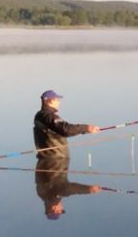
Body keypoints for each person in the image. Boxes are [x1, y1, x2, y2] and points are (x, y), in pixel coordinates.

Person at [32, 89, 103, 219]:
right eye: (57, 99)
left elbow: (64, 130)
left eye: (60, 209)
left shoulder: (42, 116)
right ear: (48, 101)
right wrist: (86, 128)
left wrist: (85, 130)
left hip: (49, 162)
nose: (59, 102)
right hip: (54, 161)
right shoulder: (47, 116)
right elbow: (65, 129)